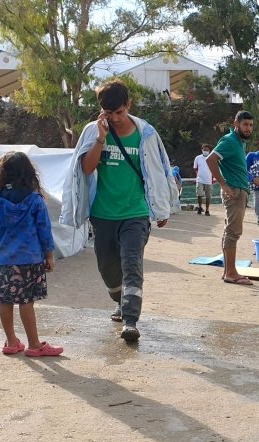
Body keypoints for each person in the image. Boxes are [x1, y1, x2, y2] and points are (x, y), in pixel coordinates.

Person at [61, 79, 175, 343]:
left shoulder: (146, 133)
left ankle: (131, 321)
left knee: (131, 263)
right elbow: (86, 169)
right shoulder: (93, 131)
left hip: (135, 212)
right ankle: (120, 301)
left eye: (119, 112)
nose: (114, 118)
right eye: (109, 113)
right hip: (103, 215)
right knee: (108, 270)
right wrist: (101, 139)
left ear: (129, 105)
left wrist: (162, 207)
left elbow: (160, 171)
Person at [0, 152, 64, 357]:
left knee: (5, 300)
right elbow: (44, 230)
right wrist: (49, 255)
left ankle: (11, 342)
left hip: (3, 259)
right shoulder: (35, 200)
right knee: (26, 301)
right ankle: (34, 345)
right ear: (29, 173)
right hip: (30, 258)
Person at [206, 110, 254, 285]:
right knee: (233, 232)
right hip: (234, 191)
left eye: (250, 125)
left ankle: (228, 271)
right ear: (236, 123)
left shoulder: (239, 143)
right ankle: (231, 273)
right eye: (245, 124)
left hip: (240, 189)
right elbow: (210, 160)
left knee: (231, 231)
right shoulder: (229, 141)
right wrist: (224, 185)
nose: (248, 128)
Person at [193, 143, 213, 216]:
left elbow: (214, 169)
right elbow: (195, 168)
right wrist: (198, 175)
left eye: (207, 150)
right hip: (200, 180)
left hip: (208, 180)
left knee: (208, 196)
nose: (205, 151)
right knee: (199, 194)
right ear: (202, 150)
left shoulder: (212, 158)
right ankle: (200, 207)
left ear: (209, 151)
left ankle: (207, 210)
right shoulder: (198, 158)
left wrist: (213, 179)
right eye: (204, 150)